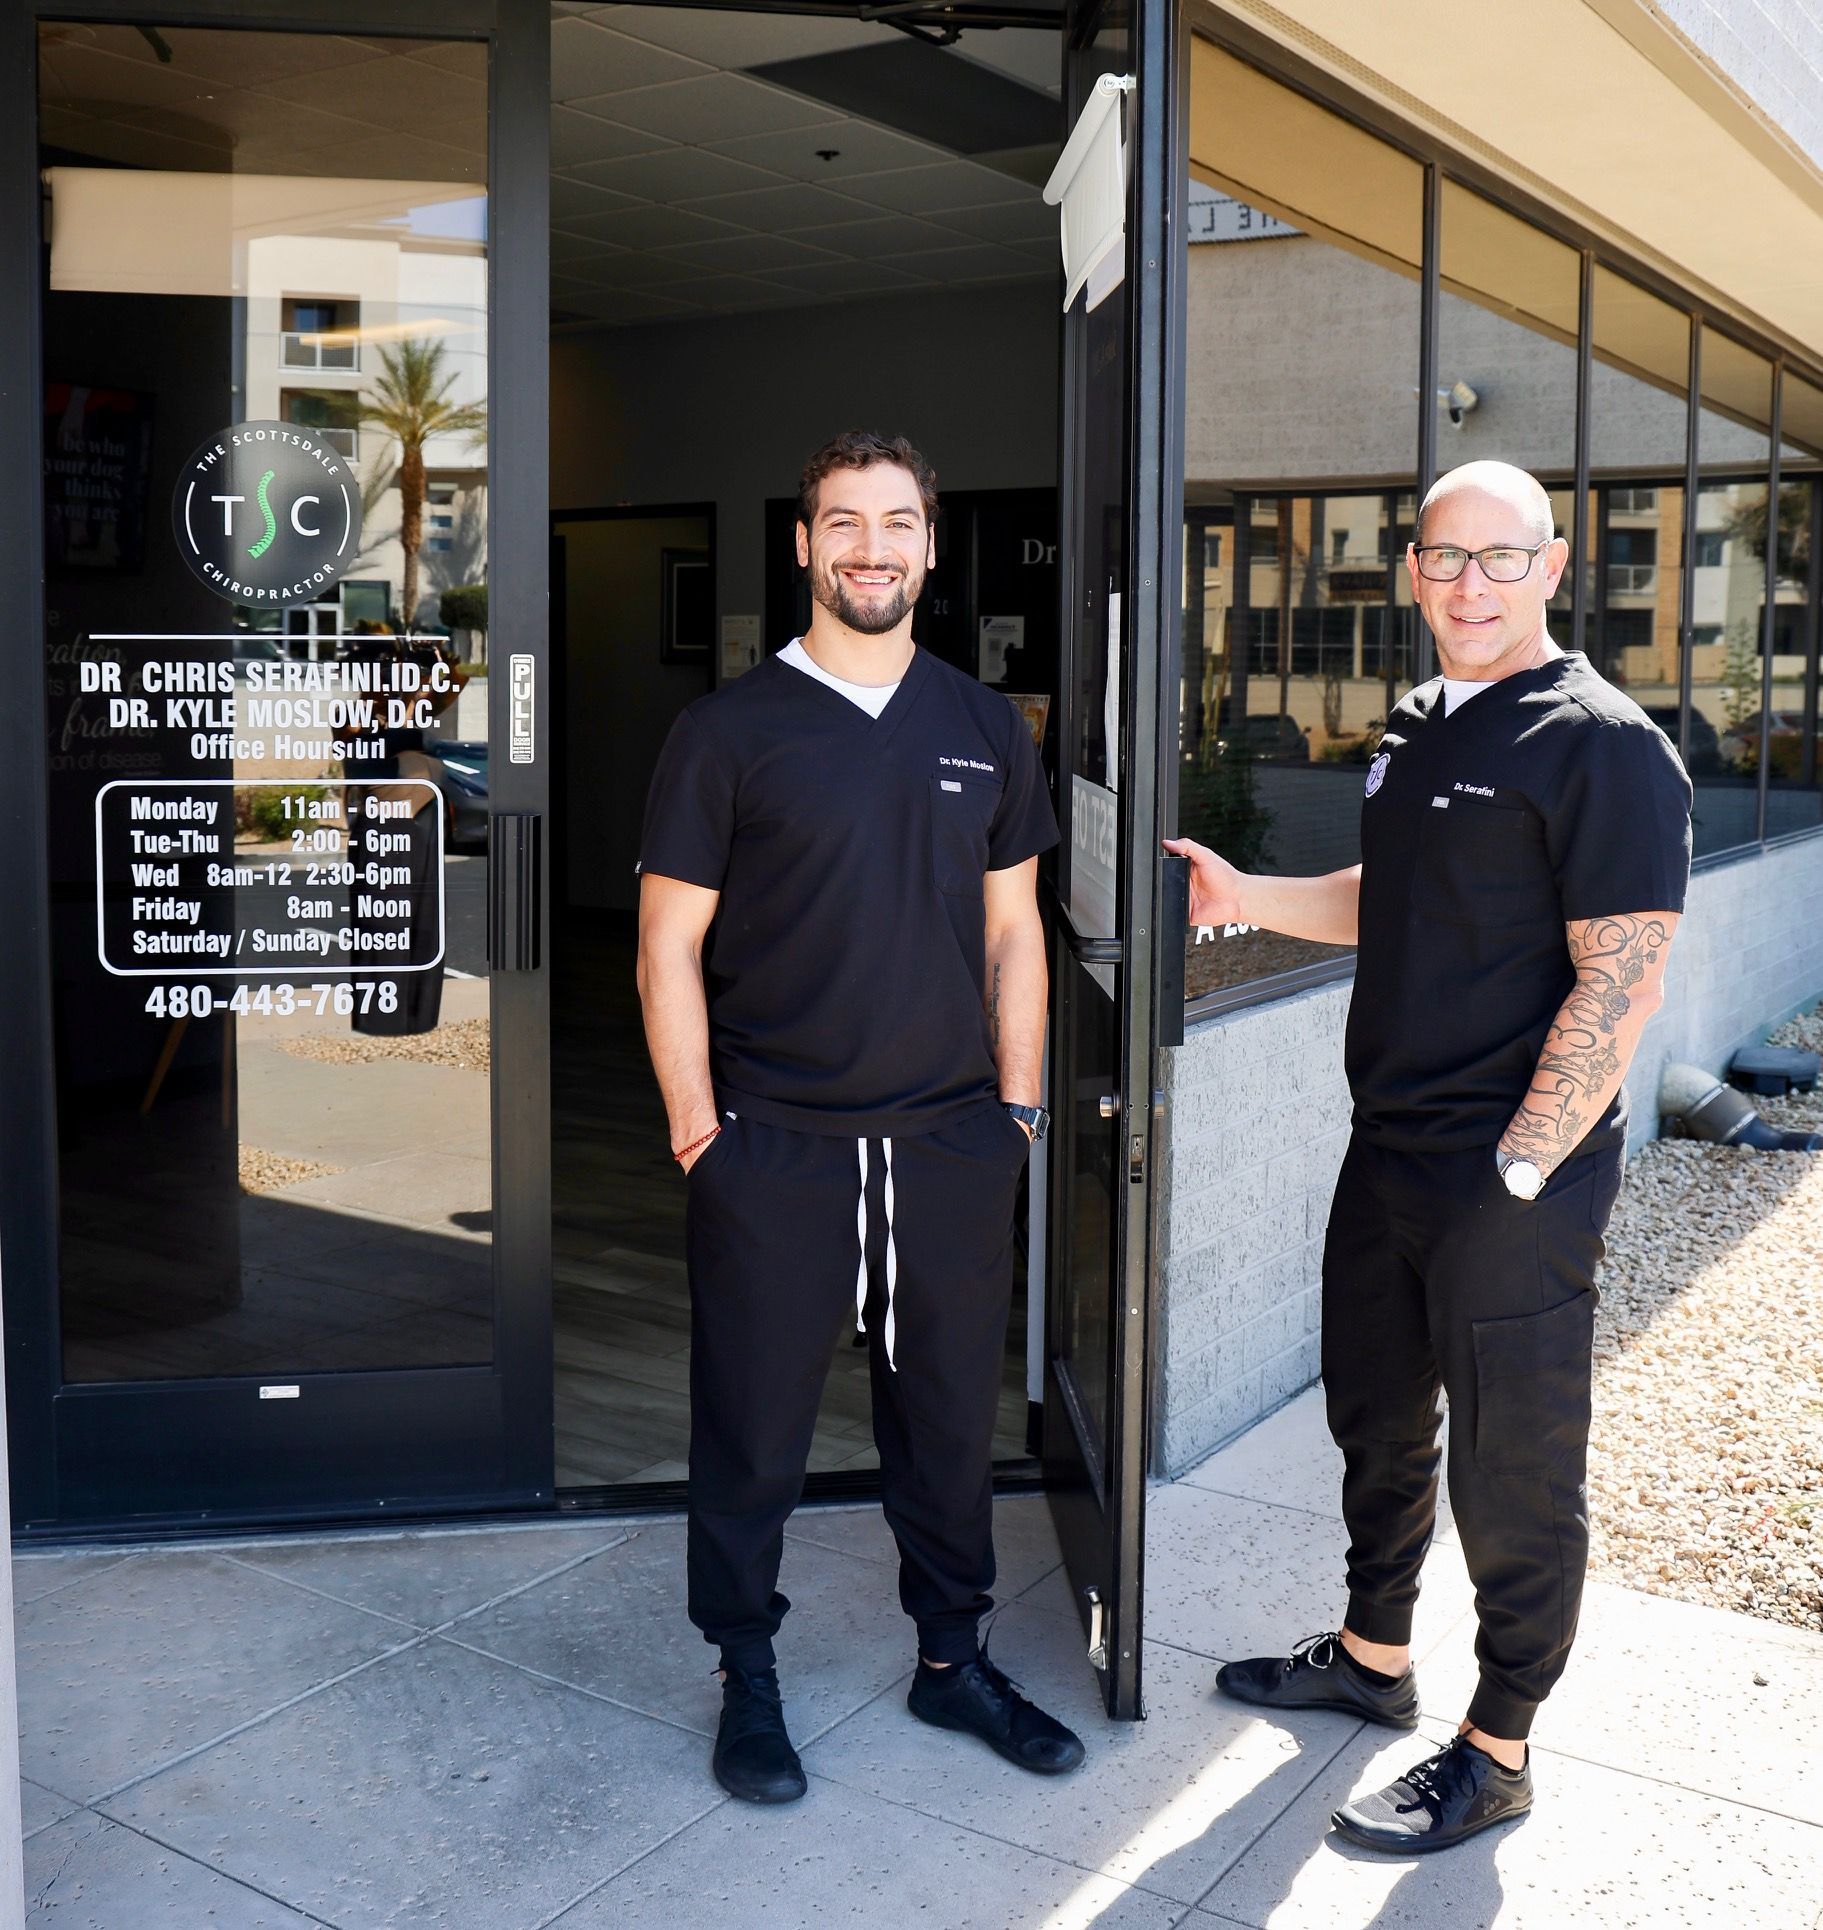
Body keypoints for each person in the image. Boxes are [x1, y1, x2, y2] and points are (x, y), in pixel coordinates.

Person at [1165, 459, 1691, 1854]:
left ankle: (1499, 1742)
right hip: (1387, 1148)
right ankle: (1373, 1654)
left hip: (1512, 1174)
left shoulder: (1605, 743)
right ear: (1410, 569)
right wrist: (1247, 893)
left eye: (1500, 558)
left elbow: (1621, 982)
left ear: (1554, 567)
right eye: (1445, 556)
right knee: (1379, 1417)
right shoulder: (1417, 725)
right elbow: (1383, 895)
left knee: (1513, 1471)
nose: (1469, 582)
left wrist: (1521, 1167)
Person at [636, 429, 1085, 1804]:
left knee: (948, 1421)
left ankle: (952, 1660)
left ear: (930, 547)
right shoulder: (727, 732)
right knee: (754, 1426)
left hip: (950, 1138)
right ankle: (747, 1676)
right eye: (844, 523)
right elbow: (665, 946)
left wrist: (1016, 1109)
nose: (871, 547)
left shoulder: (981, 726)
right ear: (804, 546)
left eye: (897, 523)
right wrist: (701, 1127)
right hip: (778, 1143)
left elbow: (1018, 934)